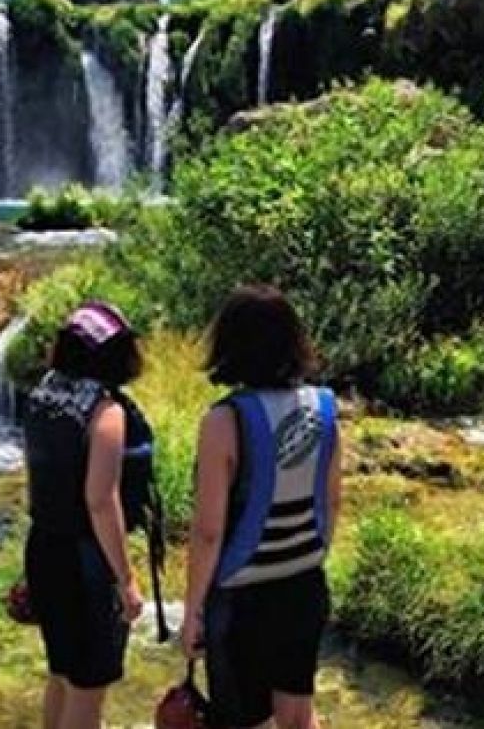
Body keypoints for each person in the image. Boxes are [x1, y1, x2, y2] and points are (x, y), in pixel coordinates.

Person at [182, 285, 343, 729]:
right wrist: (308, 557)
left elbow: (208, 531)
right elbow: (331, 501)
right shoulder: (324, 408)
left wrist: (194, 609)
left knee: (242, 718)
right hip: (304, 586)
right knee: (296, 715)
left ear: (229, 345)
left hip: (242, 598)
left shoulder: (224, 420)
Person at [23, 301, 160, 729]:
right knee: (88, 688)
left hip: (44, 547)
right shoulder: (105, 412)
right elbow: (101, 501)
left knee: (61, 673)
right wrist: (127, 580)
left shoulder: (44, 394)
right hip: (87, 562)